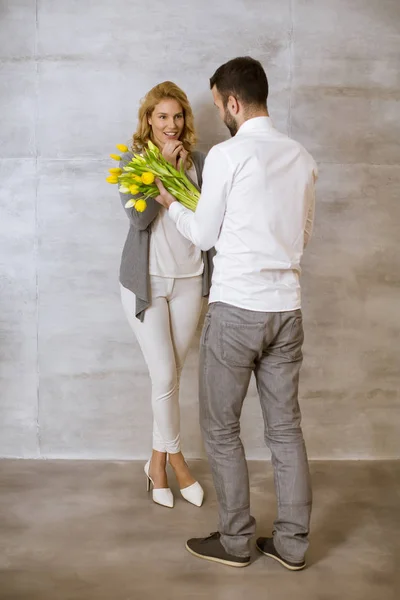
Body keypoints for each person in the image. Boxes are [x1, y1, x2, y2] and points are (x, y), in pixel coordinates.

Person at [154, 57, 318, 568]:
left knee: (222, 429)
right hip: (287, 310)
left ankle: (235, 542)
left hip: (237, 309)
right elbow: (304, 236)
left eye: (219, 103)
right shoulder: (302, 157)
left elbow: (203, 235)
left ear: (232, 101)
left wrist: (171, 203)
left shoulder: (229, 155)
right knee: (285, 429)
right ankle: (291, 546)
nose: (221, 113)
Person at [119, 81, 213, 509]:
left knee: (170, 376)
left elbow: (210, 223)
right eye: (162, 117)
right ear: (148, 121)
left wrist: (182, 172)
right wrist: (161, 174)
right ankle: (176, 462)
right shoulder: (132, 161)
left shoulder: (200, 162)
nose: (171, 125)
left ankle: (154, 462)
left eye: (177, 117)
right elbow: (139, 222)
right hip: (147, 284)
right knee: (163, 376)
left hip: (190, 280)